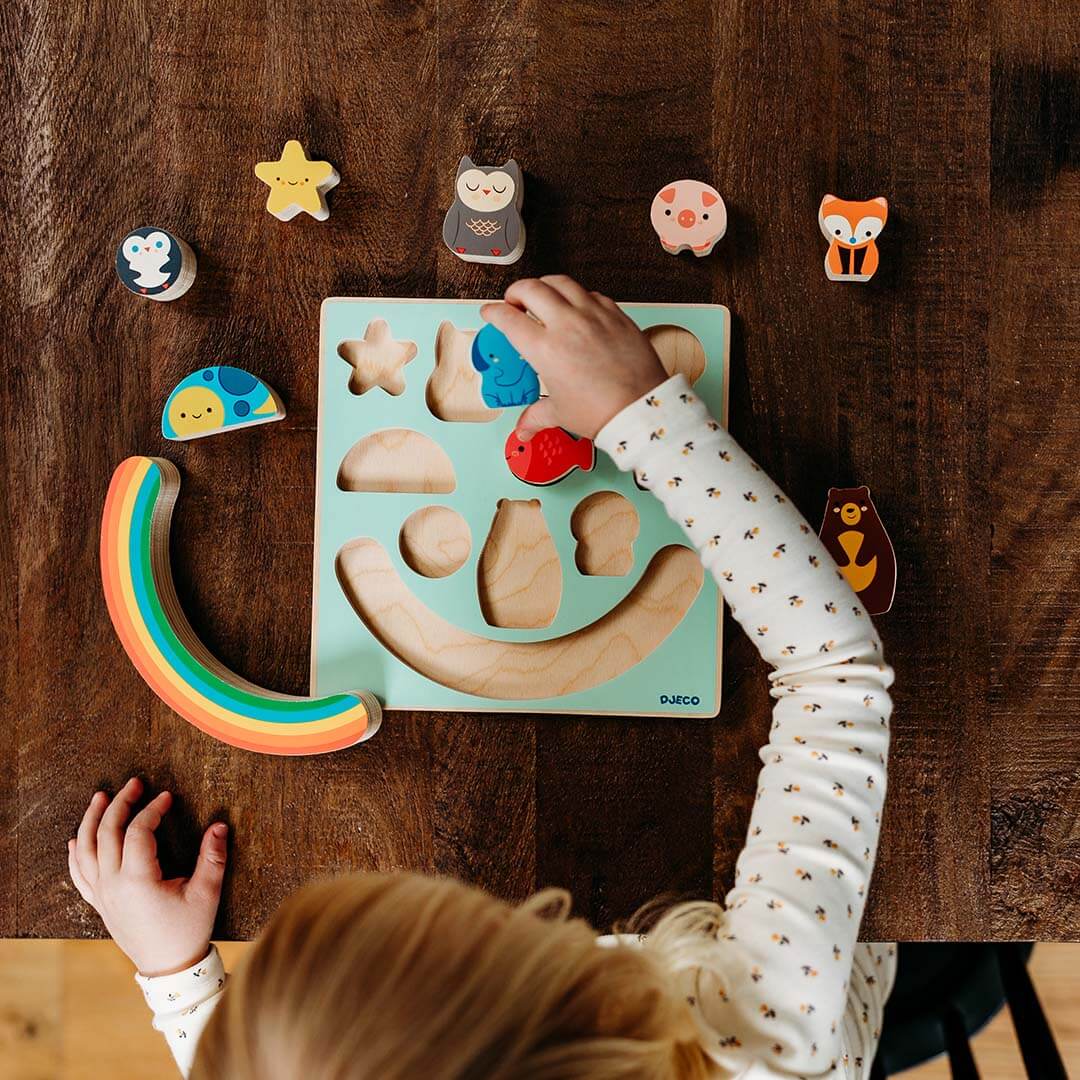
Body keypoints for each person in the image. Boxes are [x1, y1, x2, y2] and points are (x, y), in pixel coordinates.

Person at [68, 276, 894, 1079]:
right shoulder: (757, 1038)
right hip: (838, 954)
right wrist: (646, 418)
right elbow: (836, 676)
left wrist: (177, 980)